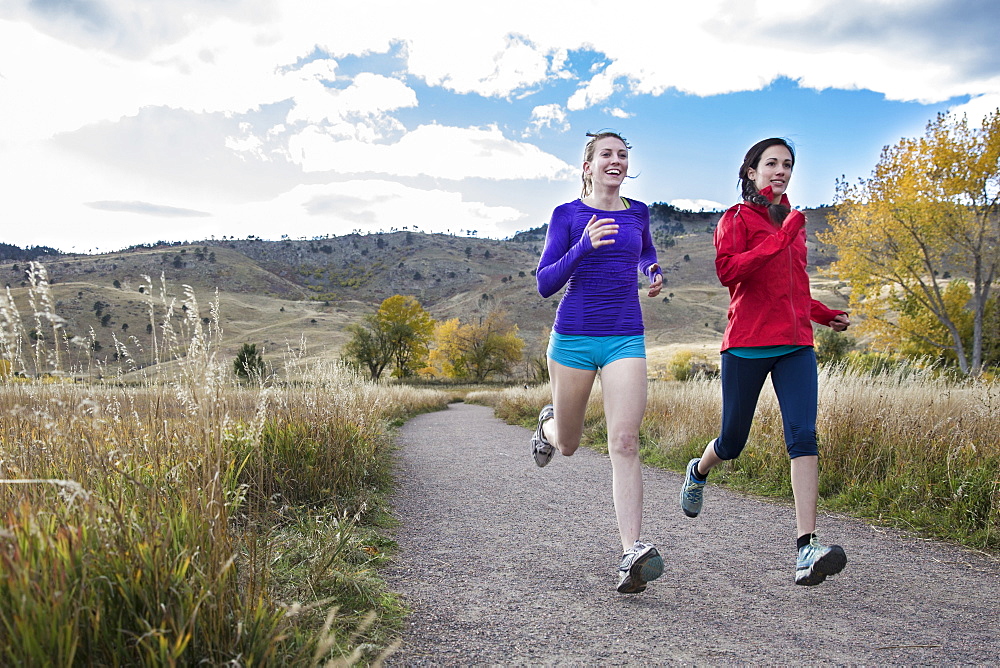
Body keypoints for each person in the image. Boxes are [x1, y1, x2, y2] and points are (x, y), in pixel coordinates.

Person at [678, 137, 850, 586]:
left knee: (803, 434)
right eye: (771, 163)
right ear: (751, 172)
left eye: (787, 164)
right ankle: (698, 471)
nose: (781, 170)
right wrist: (781, 236)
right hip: (747, 344)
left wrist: (823, 314)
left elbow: (789, 287)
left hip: (795, 343)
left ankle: (806, 547)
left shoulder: (792, 222)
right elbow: (729, 272)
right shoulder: (734, 220)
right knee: (732, 440)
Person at [530, 131, 665, 594]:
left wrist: (651, 268)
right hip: (572, 340)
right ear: (588, 166)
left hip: (625, 337)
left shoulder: (638, 213)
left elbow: (644, 248)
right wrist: (583, 245)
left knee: (624, 441)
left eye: (622, 154)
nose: (616, 160)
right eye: (605, 154)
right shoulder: (567, 215)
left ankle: (631, 553)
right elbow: (545, 282)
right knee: (568, 444)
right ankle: (547, 426)